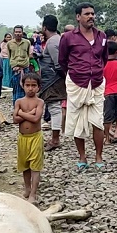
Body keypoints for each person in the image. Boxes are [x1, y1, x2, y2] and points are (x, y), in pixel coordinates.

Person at [59, 3, 108, 171]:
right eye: (87, 14)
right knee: (77, 120)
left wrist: (95, 72)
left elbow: (104, 59)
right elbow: (62, 61)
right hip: (76, 83)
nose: (91, 16)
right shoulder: (68, 37)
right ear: (78, 17)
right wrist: (76, 73)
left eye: (93, 13)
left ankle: (99, 156)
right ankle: (82, 156)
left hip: (96, 83)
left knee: (98, 122)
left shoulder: (102, 36)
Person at [13, 73, 45, 205]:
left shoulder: (40, 102)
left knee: (35, 166)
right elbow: (15, 120)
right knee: (24, 164)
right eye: (27, 85)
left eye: (33, 86)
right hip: (23, 138)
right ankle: (27, 188)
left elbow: (36, 118)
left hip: (35, 137)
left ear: (38, 87)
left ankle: (33, 193)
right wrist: (29, 113)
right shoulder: (19, 101)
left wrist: (21, 113)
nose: (30, 88)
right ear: (23, 86)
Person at [37, 15, 65, 151]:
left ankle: (55, 140)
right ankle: (55, 137)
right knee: (54, 108)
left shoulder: (53, 42)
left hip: (53, 79)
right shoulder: (57, 40)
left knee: (54, 108)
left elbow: (58, 64)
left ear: (44, 27)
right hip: (53, 78)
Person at [103, 41, 117, 142]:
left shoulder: (102, 65)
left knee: (108, 115)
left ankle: (107, 138)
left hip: (107, 92)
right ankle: (116, 132)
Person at [7, 25, 31, 106]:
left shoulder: (27, 42)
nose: (18, 34)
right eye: (16, 32)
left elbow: (28, 55)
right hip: (15, 70)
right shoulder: (9, 44)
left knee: (25, 87)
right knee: (16, 88)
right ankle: (16, 105)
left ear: (22, 32)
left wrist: (23, 65)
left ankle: (25, 105)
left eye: (19, 32)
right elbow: (9, 57)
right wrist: (14, 66)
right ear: (13, 33)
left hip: (25, 69)